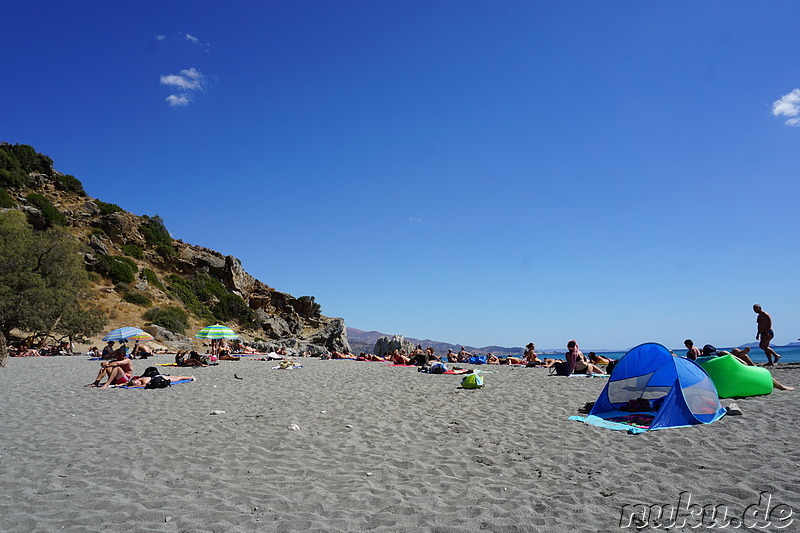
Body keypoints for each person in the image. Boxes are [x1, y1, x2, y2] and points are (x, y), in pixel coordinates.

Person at [127, 374, 195, 387]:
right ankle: (189, 377)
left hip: (161, 378)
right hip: (159, 377)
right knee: (177, 377)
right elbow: (126, 383)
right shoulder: (139, 379)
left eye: (136, 383)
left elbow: (144, 385)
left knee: (178, 378)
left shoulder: (143, 381)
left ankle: (190, 377)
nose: (138, 385)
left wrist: (132, 386)